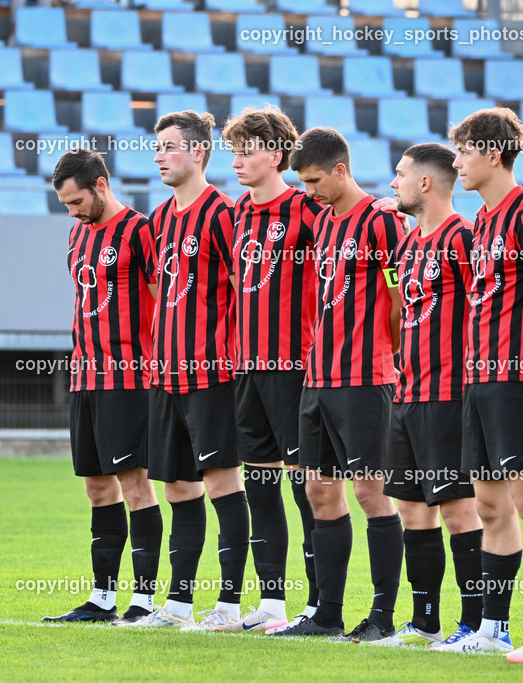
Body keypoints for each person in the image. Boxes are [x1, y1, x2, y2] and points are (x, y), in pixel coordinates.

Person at [432, 108, 523, 657]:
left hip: (521, 379)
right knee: (491, 507)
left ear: (492, 154)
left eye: (464, 151)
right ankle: (493, 628)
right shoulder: (482, 222)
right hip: (479, 379)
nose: (457, 162)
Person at [269, 127, 405, 642]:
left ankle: (383, 617)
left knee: (372, 494)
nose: (307, 190)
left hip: (364, 377)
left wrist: (388, 355)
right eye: (301, 182)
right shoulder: (322, 222)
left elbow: (398, 299)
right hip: (317, 377)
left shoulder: (381, 221)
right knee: (319, 490)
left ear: (341, 171)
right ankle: (327, 614)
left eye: (313, 180)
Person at [131, 111, 250, 630]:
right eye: (157, 147)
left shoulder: (225, 213)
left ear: (199, 152)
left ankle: (227, 605)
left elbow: (245, 292)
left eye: (169, 146)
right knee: (178, 487)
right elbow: (160, 292)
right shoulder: (157, 220)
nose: (159, 155)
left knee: (223, 483)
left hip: (212, 375)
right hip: (165, 376)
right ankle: (178, 605)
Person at [367, 143, 484, 648]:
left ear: (425, 183)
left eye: (399, 174)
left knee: (459, 509)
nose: (392, 183)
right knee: (413, 510)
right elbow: (398, 305)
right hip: (407, 391)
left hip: (449, 394)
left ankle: (477, 625)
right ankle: (425, 622)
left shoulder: (464, 238)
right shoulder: (407, 245)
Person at [43, 149, 162, 626]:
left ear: (100, 184)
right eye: (66, 204)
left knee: (135, 485)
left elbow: (163, 300)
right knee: (97, 488)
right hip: (84, 377)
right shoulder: (77, 235)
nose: (71, 212)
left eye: (76, 201)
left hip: (129, 378)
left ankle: (146, 600)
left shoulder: (140, 231)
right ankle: (103, 598)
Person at [220, 106, 324, 631]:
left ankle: (319, 604)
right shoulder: (237, 212)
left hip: (293, 368)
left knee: (307, 487)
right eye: (234, 150)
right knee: (259, 482)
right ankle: (273, 602)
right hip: (247, 369)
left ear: (278, 154)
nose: (238, 160)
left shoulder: (307, 210)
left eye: (249, 150)